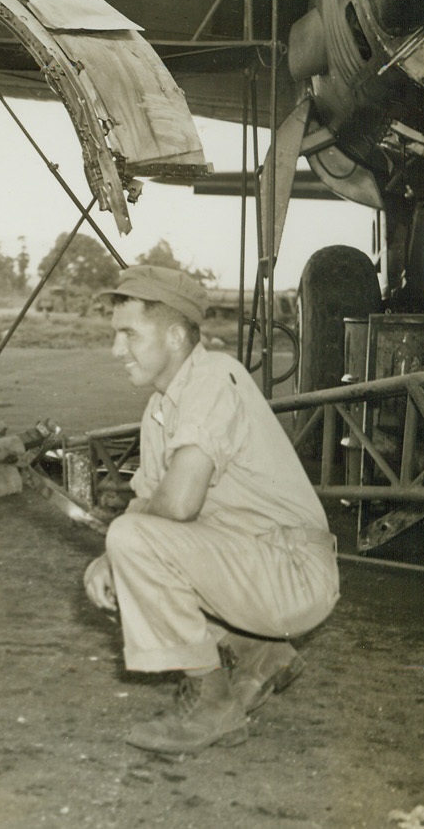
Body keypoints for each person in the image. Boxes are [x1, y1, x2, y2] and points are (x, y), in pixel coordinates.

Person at [83, 266, 339, 756]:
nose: (117, 350)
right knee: (129, 541)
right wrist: (107, 559)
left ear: (176, 335)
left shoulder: (213, 378)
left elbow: (175, 506)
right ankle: (260, 653)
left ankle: (214, 705)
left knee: (132, 539)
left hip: (292, 572)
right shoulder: (161, 408)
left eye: (129, 334)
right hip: (257, 565)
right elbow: (147, 499)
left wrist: (121, 550)